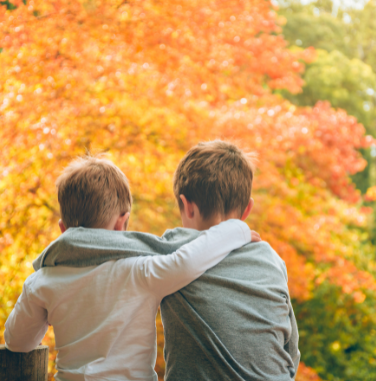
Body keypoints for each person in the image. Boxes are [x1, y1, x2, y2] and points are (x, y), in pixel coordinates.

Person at [37, 141, 301, 380]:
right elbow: (291, 349)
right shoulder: (272, 259)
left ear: (187, 206)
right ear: (247, 210)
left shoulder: (175, 248)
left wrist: (53, 255)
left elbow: (102, 241)